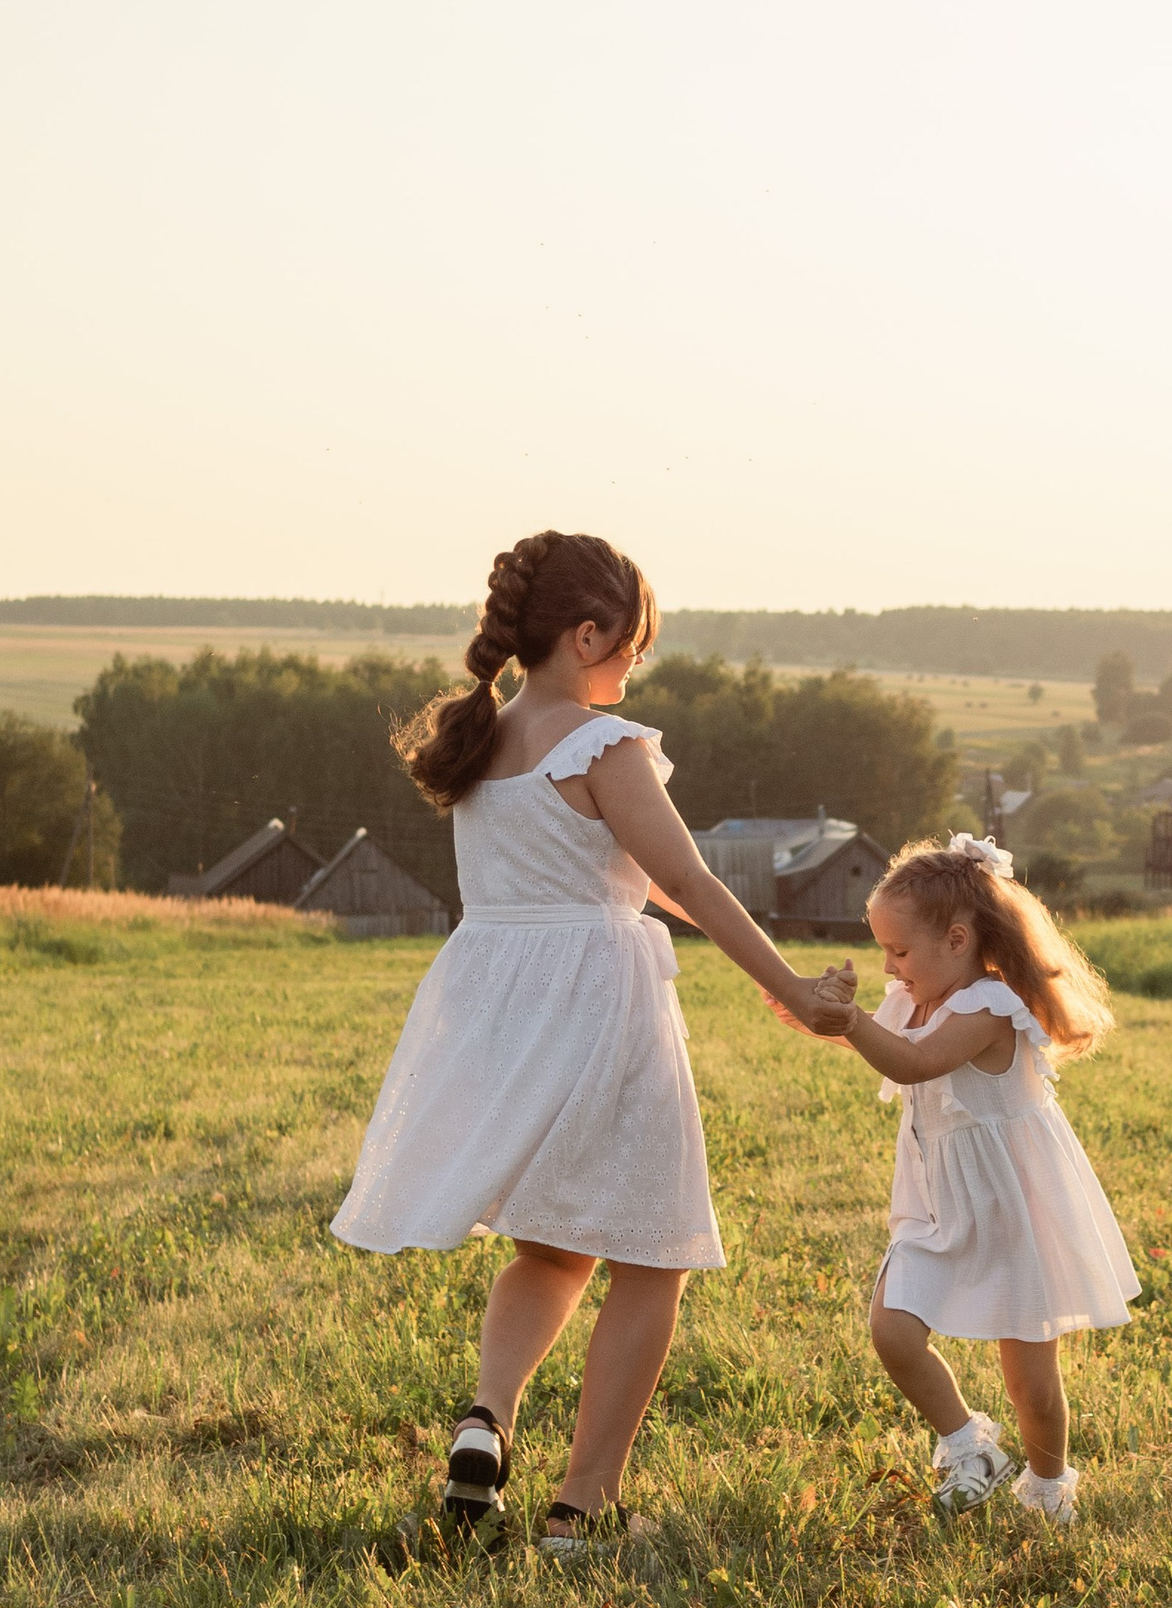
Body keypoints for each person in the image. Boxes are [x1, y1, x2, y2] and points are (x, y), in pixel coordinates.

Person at [332, 526, 849, 1555]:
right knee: (650, 1253)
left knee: (551, 1244)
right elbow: (694, 878)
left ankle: (485, 1419)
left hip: (500, 1007)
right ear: (584, 633)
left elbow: (619, 868)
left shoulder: (484, 744)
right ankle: (582, 1505)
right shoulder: (602, 746)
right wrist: (787, 981)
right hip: (598, 1004)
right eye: (629, 647)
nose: (632, 668)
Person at [816, 832, 1138, 1525]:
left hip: (1013, 1210)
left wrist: (848, 1020)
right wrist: (821, 1018)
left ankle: (1050, 1487)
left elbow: (908, 1063)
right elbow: (882, 1038)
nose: (890, 966)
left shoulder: (988, 1007)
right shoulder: (919, 1000)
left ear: (957, 939)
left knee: (1031, 1381)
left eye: (900, 951)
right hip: (940, 1208)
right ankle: (968, 1441)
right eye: (884, 951)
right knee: (892, 1329)